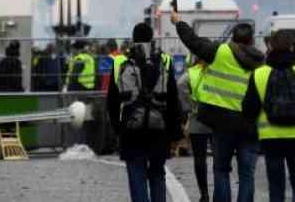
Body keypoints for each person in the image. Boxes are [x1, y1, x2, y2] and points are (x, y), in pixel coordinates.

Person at [172, 12, 264, 202]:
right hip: (249, 125)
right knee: (247, 174)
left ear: (233, 38)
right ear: (252, 40)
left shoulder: (219, 51)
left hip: (222, 124)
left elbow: (193, 41)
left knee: (221, 169)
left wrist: (179, 22)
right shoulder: (261, 62)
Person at [243, 31, 295, 202]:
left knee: (276, 185)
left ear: (270, 46)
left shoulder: (259, 74)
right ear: (292, 47)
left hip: (270, 138)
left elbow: (248, 109)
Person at [107, 22, 182, 202]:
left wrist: (118, 129)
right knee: (157, 174)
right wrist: (173, 131)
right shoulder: (165, 61)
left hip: (131, 128)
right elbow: (173, 99)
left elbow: (112, 101)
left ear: (133, 40)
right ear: (152, 39)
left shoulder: (120, 62)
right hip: (159, 129)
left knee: (136, 175)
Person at [178, 57, 212, 202]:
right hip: (218, 118)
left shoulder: (190, 74)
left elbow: (180, 85)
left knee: (200, 158)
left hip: (198, 118)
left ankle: (204, 194)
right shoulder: (216, 71)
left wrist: (189, 107)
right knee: (221, 160)